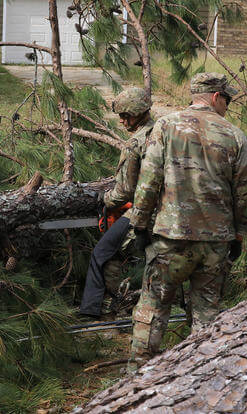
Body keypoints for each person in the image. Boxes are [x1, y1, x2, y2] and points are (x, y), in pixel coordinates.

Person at [127, 72, 247, 369]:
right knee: (207, 315)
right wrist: (240, 234)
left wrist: (140, 225)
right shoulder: (235, 136)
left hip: (170, 239)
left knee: (153, 309)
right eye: (227, 98)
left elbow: (148, 180)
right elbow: (246, 195)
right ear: (215, 97)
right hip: (215, 244)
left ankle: (135, 378)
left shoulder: (165, 126)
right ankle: (201, 377)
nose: (228, 105)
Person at [79, 87, 154, 317]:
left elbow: (125, 191)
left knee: (100, 254)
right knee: (115, 255)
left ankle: (91, 311)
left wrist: (105, 199)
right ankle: (117, 303)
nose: (121, 121)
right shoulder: (164, 132)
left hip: (143, 213)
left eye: (125, 116)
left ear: (138, 113)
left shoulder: (136, 143)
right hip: (168, 210)